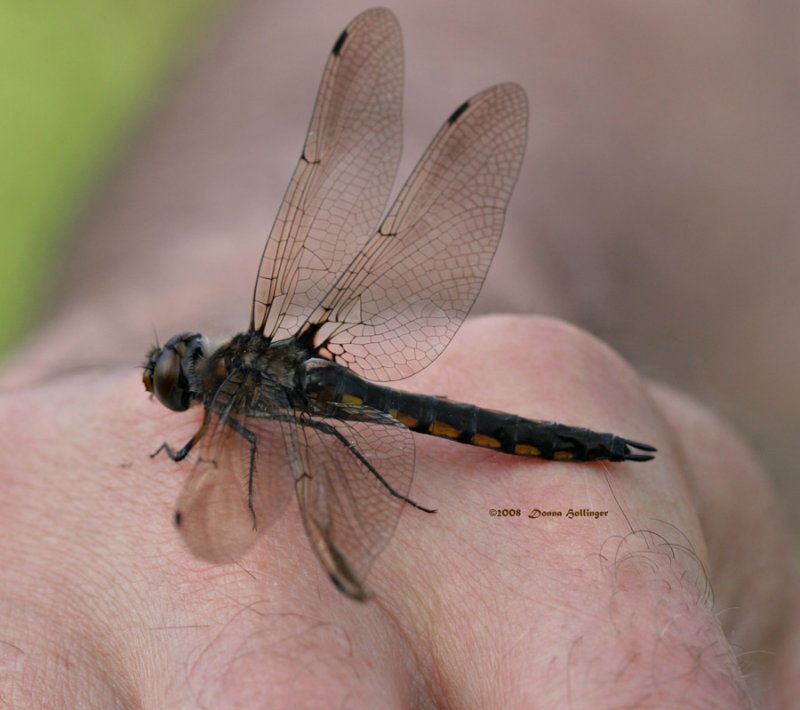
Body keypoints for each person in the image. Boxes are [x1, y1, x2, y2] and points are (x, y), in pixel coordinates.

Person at [1, 3, 797, 707]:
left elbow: (234, 507)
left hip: (380, 403)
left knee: (376, 431)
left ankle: (589, 449)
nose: (174, 373)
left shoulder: (234, 414)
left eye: (176, 377)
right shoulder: (247, 371)